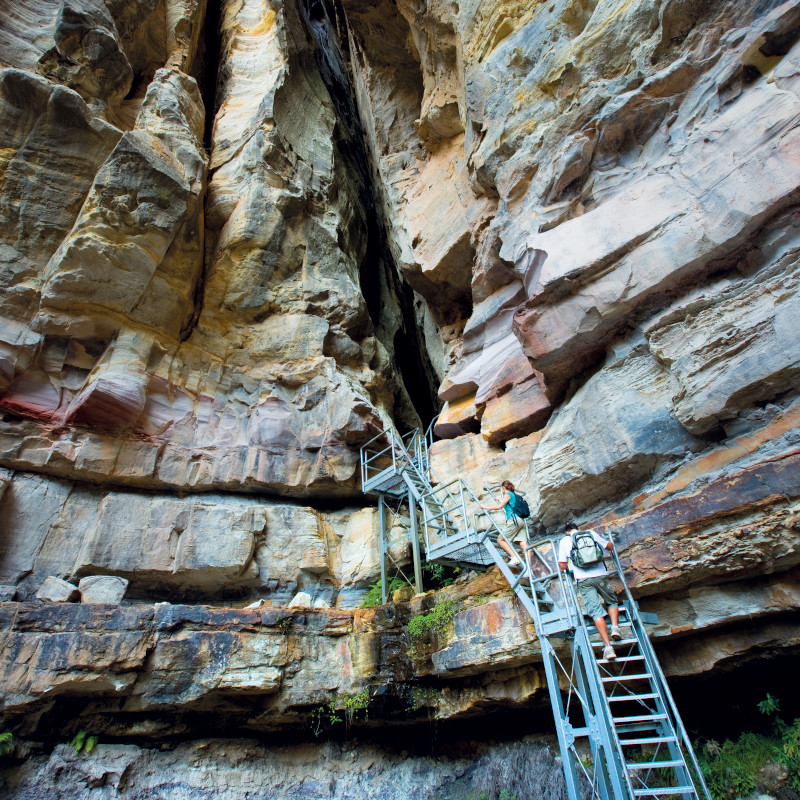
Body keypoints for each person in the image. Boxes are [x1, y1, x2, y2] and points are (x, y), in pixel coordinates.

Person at [557, 522, 622, 661]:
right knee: (611, 601)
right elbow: (608, 546)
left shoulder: (564, 541)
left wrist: (569, 567)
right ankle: (615, 627)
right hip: (601, 575)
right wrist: (609, 541)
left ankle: (608, 648)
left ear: (566, 532)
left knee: (596, 611)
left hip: (583, 580)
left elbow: (562, 565)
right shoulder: (590, 533)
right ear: (577, 529)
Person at [479, 480, 530, 569]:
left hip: (514, 521)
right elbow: (510, 505)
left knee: (500, 540)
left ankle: (514, 557)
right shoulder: (514, 495)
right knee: (523, 544)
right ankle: (529, 568)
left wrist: (485, 507)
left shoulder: (508, 494)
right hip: (521, 521)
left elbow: (499, 507)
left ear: (503, 487)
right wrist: (500, 500)